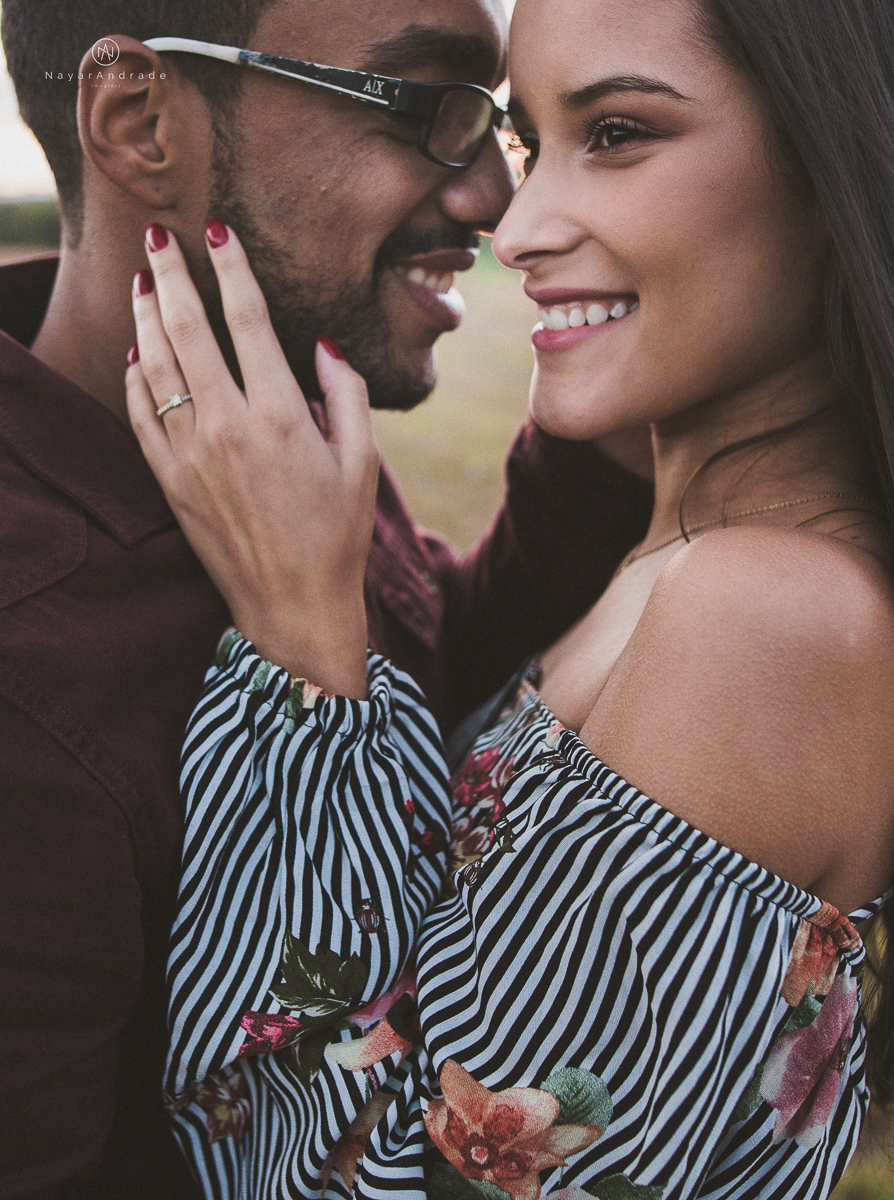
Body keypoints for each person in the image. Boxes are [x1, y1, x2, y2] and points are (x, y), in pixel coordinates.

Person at [124, 0, 894, 1194]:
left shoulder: (770, 619)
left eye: (623, 132)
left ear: (835, 155)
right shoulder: (702, 560)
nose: (515, 223)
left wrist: (306, 657)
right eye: (531, 141)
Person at [0, 0, 653, 1194]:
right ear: (141, 122)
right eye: (420, 105)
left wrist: (614, 427)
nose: (494, 200)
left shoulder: (276, 411)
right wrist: (304, 681)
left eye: (488, 123)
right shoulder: (28, 677)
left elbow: (436, 662)